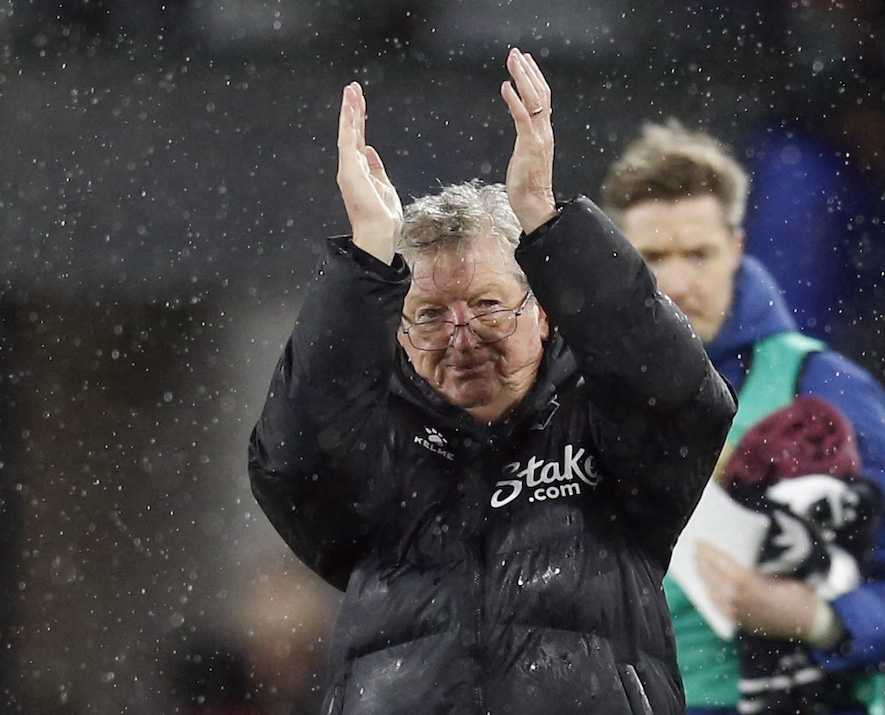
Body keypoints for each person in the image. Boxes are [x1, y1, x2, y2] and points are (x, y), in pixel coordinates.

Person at [247, 50, 737, 715]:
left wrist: (546, 218)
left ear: (543, 309)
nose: (461, 334)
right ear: (399, 331)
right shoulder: (378, 444)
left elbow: (684, 398)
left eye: (485, 305)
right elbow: (290, 460)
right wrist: (366, 255)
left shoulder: (606, 426)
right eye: (429, 314)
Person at [601, 120, 885, 715]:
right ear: (617, 260)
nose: (676, 281)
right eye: (652, 257)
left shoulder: (826, 392)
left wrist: (816, 617)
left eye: (697, 254)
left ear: (738, 249)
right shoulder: (576, 392)